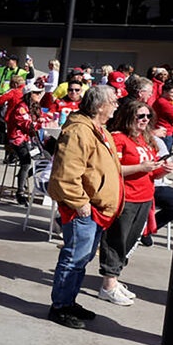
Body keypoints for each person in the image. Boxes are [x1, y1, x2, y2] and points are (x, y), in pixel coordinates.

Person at [47, 84, 123, 329]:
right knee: (74, 258)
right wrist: (80, 203)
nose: (116, 106)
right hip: (84, 209)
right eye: (114, 101)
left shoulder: (98, 129)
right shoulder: (80, 131)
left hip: (96, 209)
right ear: (100, 106)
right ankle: (60, 306)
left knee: (82, 259)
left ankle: (69, 301)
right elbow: (65, 174)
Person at [98, 99, 173, 305]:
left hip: (145, 196)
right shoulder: (119, 138)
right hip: (126, 197)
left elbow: (152, 172)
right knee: (116, 240)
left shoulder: (145, 139)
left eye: (148, 116)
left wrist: (161, 170)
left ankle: (115, 278)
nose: (145, 120)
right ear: (130, 117)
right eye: (141, 116)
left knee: (129, 242)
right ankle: (108, 283)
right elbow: (113, 169)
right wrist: (142, 167)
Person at [6, 82, 46, 204]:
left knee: (47, 158)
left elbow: (39, 121)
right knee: (26, 162)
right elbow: (27, 126)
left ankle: (23, 177)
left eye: (39, 92)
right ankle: (20, 192)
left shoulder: (35, 106)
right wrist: (40, 123)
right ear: (29, 94)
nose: (39, 94)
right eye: (36, 92)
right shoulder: (21, 108)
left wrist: (42, 120)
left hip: (28, 139)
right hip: (17, 139)